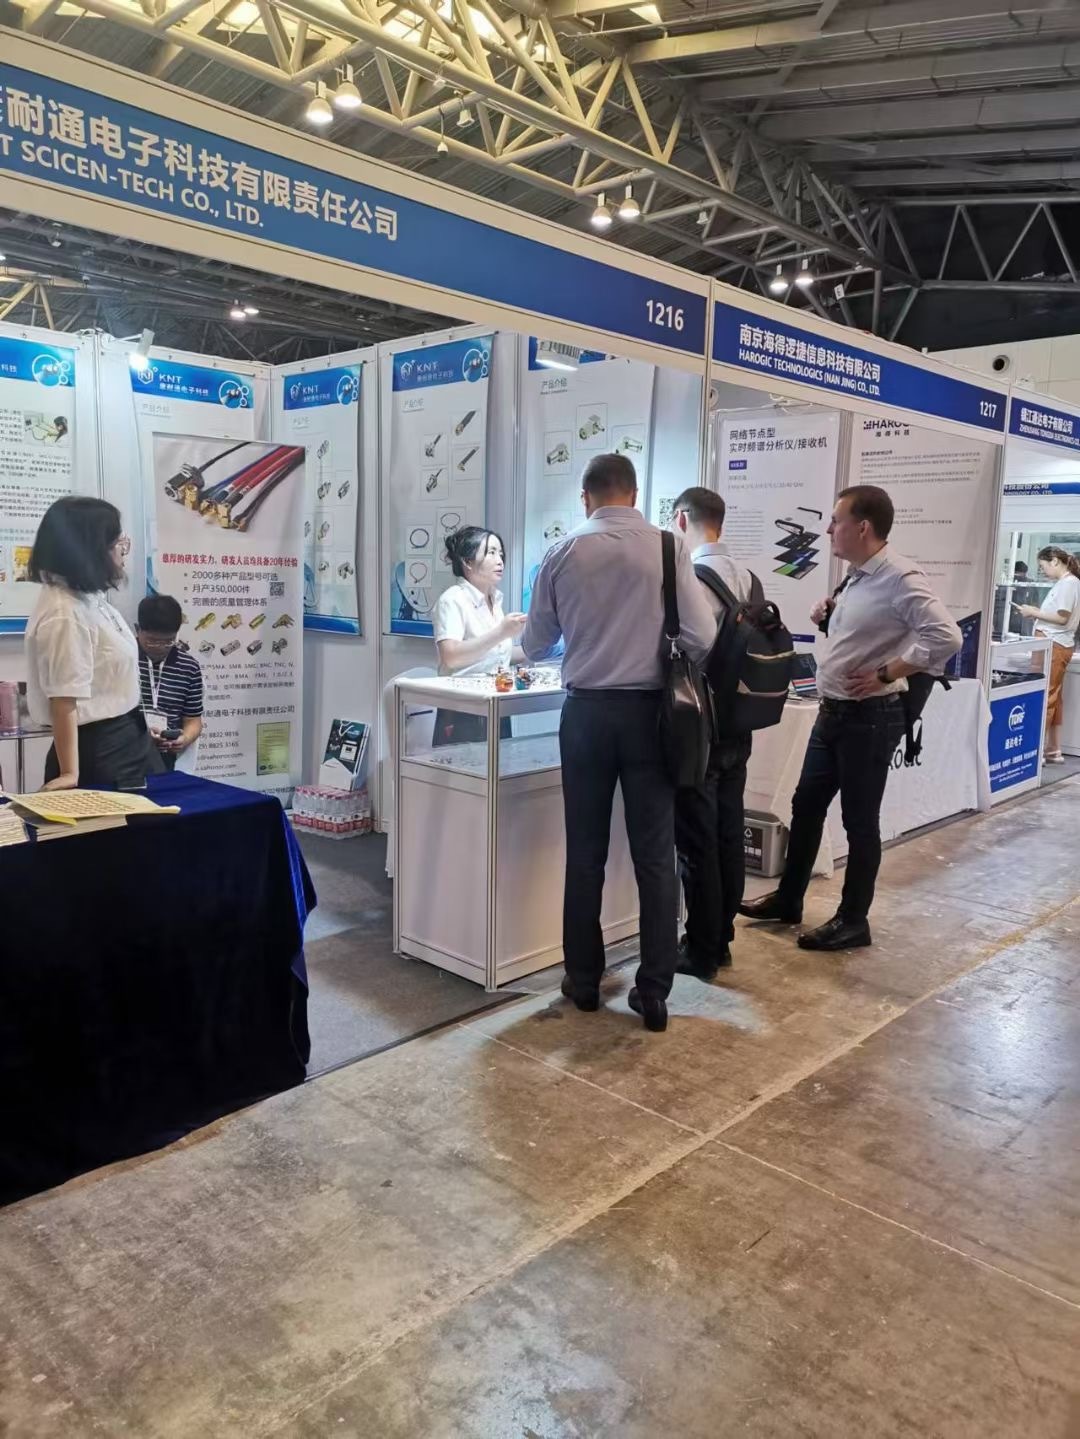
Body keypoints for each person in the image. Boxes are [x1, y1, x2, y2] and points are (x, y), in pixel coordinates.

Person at [522, 454, 716, 1032]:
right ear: (634, 494)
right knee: (655, 855)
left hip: (585, 714)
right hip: (651, 716)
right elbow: (702, 634)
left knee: (585, 853)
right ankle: (653, 990)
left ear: (585, 497)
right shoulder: (668, 547)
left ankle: (583, 981)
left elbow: (535, 644)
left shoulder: (562, 551)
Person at [740, 485, 961, 952]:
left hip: (871, 718)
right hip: (833, 713)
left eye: (835, 521)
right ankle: (789, 899)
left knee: (860, 822)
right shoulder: (856, 576)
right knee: (805, 805)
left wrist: (888, 672)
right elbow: (866, 632)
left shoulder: (900, 576)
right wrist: (827, 616)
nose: (827, 530)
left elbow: (947, 636)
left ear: (862, 527)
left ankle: (853, 920)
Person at [669, 486, 754, 981]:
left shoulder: (694, 577)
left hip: (699, 728)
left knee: (696, 841)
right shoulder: (747, 577)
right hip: (739, 725)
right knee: (727, 834)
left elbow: (687, 646)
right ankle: (721, 938)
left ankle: (700, 949)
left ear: (682, 520)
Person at [25, 496, 163, 791]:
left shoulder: (87, 597)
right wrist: (69, 774)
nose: (123, 551)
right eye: (116, 543)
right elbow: (63, 699)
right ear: (92, 552)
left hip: (128, 738)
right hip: (101, 752)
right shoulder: (64, 612)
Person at [430, 526, 526, 746]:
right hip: (463, 709)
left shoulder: (494, 599)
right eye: (491, 552)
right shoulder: (453, 600)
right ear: (468, 561)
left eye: (500, 553)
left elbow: (494, 654)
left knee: (503, 764)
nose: (500, 560)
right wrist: (501, 632)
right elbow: (451, 656)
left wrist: (540, 649)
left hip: (496, 701)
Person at [1015, 546, 1080, 764]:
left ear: (1054, 561)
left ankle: (1038, 750)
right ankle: (1053, 749)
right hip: (1054, 643)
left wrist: (1033, 612)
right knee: (1053, 696)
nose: (1042, 571)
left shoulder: (1069, 584)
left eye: (1043, 566)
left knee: (1046, 695)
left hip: (1054, 644)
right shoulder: (1067, 583)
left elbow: (1062, 618)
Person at [136, 593, 204, 771]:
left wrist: (184, 739)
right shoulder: (123, 659)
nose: (160, 647)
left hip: (165, 758)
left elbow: (193, 720)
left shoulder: (189, 667)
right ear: (138, 630)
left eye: (168, 641)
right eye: (152, 641)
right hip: (125, 753)